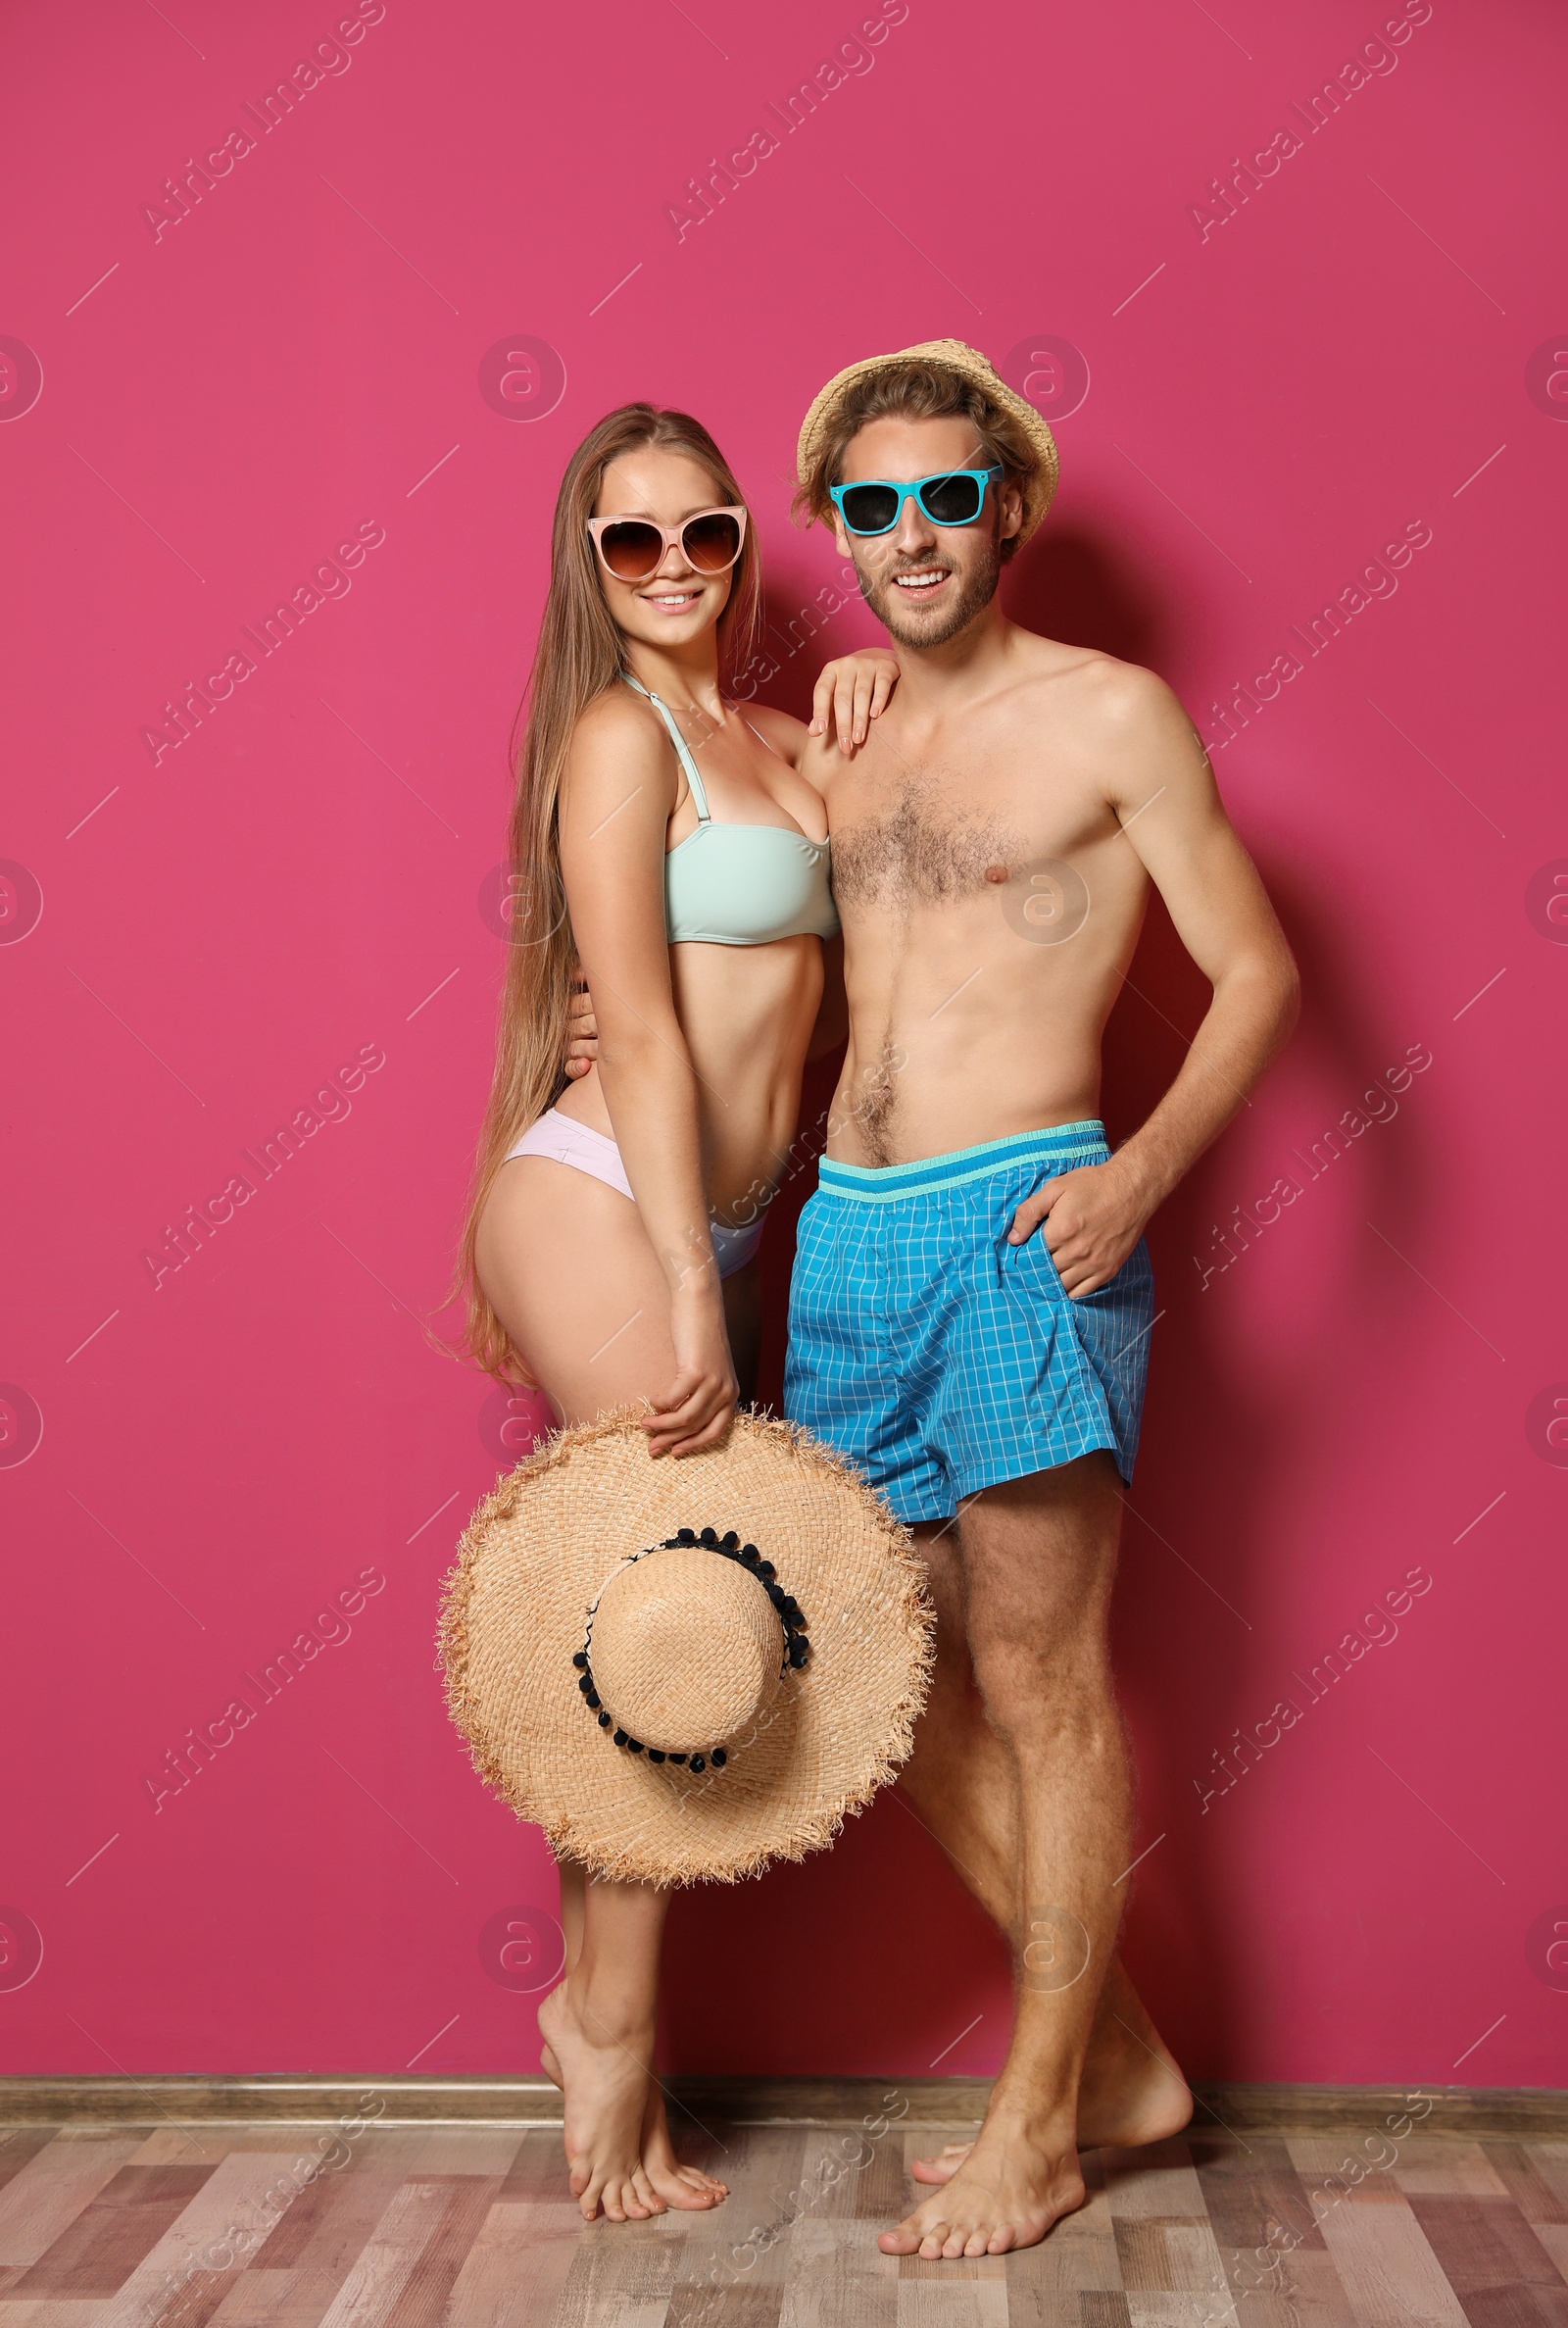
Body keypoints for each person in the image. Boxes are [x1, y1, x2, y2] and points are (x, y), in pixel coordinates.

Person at [779, 339, 1302, 2259]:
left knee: (1041, 1687)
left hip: (1020, 1225)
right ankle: (1129, 2057)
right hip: (847, 1233)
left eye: (943, 496)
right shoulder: (837, 731)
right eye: (869, 503)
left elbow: (1252, 970)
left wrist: (1139, 1174)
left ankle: (1037, 2125)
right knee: (872, 1664)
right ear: (835, 527)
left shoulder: (1111, 717)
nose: (908, 534)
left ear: (1004, 509)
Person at [455, 400, 895, 2227]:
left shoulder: (772, 739)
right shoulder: (621, 744)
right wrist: (679, 1289)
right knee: (678, 1608)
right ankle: (613, 2046)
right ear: (591, 564)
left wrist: (873, 677)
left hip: (706, 1223)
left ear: (736, 537)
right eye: (628, 542)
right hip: (601, 1206)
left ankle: (596, 2014)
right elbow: (634, 1025)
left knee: (644, 1616)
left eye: (701, 531)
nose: (671, 570)